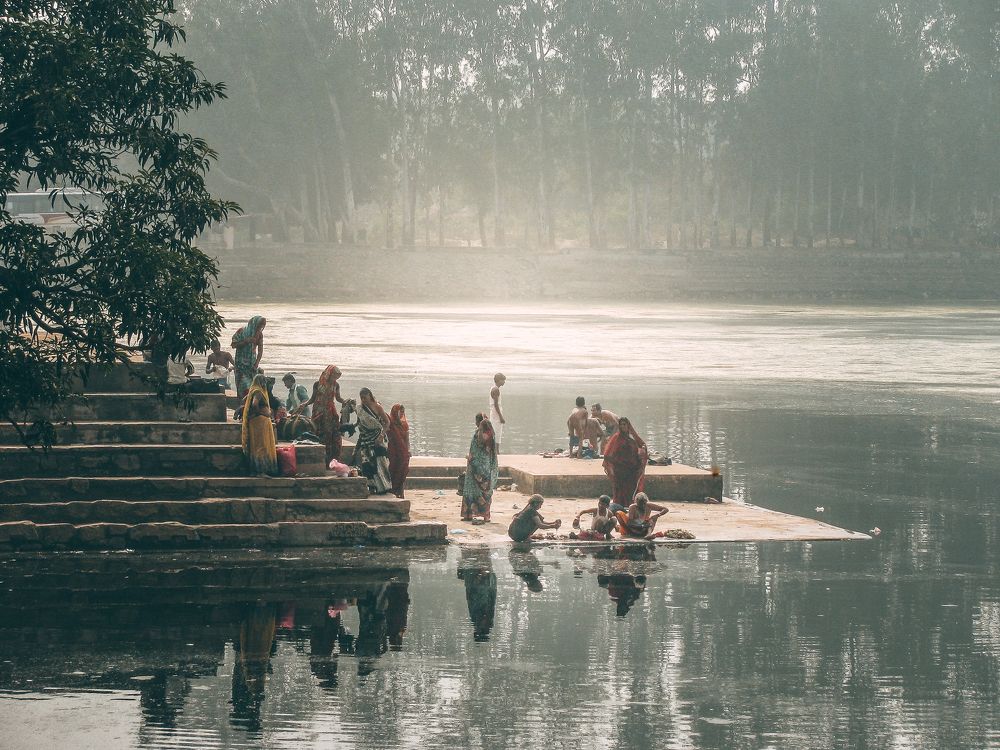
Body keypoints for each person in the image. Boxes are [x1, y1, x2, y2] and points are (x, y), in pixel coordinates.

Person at [298, 365, 349, 463]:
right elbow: (313, 398)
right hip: (319, 411)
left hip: (330, 412)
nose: (335, 378)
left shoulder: (336, 385)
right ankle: (321, 459)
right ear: (329, 374)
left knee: (334, 434)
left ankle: (332, 459)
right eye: (334, 376)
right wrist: (305, 404)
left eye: (337, 377)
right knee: (320, 433)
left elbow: (338, 398)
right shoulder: (317, 384)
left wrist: (345, 402)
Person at [602, 416, 648, 507]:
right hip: (620, 469)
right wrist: (613, 464)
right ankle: (619, 504)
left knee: (631, 488)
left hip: (631, 468)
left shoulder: (632, 437)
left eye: (624, 424)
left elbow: (641, 445)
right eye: (621, 425)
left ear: (628, 425)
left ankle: (629, 505)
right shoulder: (616, 438)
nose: (623, 426)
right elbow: (607, 454)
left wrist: (642, 452)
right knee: (620, 489)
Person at [354, 387, 391, 494]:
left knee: (380, 462)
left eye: (365, 397)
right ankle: (372, 487)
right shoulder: (360, 408)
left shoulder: (377, 407)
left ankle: (384, 487)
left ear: (370, 396)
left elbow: (387, 422)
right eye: (362, 398)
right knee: (367, 463)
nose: (364, 400)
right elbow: (359, 423)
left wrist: (381, 436)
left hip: (378, 438)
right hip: (365, 439)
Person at [462, 417, 499, 521]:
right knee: (486, 492)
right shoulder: (491, 436)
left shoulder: (478, 435)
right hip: (487, 468)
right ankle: (486, 516)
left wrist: (469, 458)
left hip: (475, 467)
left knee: (472, 490)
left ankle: (468, 514)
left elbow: (475, 450)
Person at [241, 373, 277, 476]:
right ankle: (261, 471)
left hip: (256, 422)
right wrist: (261, 412)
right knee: (262, 446)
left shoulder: (253, 390)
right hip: (260, 422)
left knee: (256, 446)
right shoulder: (258, 392)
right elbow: (254, 404)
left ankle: (255, 470)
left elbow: (245, 400)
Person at [231, 315, 266, 401]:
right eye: (259, 325)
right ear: (254, 323)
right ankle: (243, 406)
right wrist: (246, 341)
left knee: (252, 387)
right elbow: (233, 345)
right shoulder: (241, 331)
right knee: (243, 386)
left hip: (251, 365)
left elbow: (260, 351)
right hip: (240, 365)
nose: (260, 328)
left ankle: (250, 407)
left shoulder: (259, 335)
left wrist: (256, 363)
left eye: (262, 326)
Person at [387, 403, 411, 499]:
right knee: (393, 471)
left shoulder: (404, 425)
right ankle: (392, 491)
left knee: (402, 472)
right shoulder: (390, 424)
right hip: (393, 453)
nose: (401, 414)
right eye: (399, 412)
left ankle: (400, 493)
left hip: (403, 453)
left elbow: (407, 440)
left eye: (402, 412)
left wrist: (408, 450)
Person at [489, 373, 506, 452]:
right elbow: (496, 405)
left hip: (494, 412)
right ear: (499, 380)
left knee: (495, 431)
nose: (504, 382)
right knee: (497, 432)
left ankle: (496, 451)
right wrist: (501, 417)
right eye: (503, 380)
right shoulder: (496, 389)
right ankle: (496, 451)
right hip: (496, 413)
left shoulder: (493, 388)